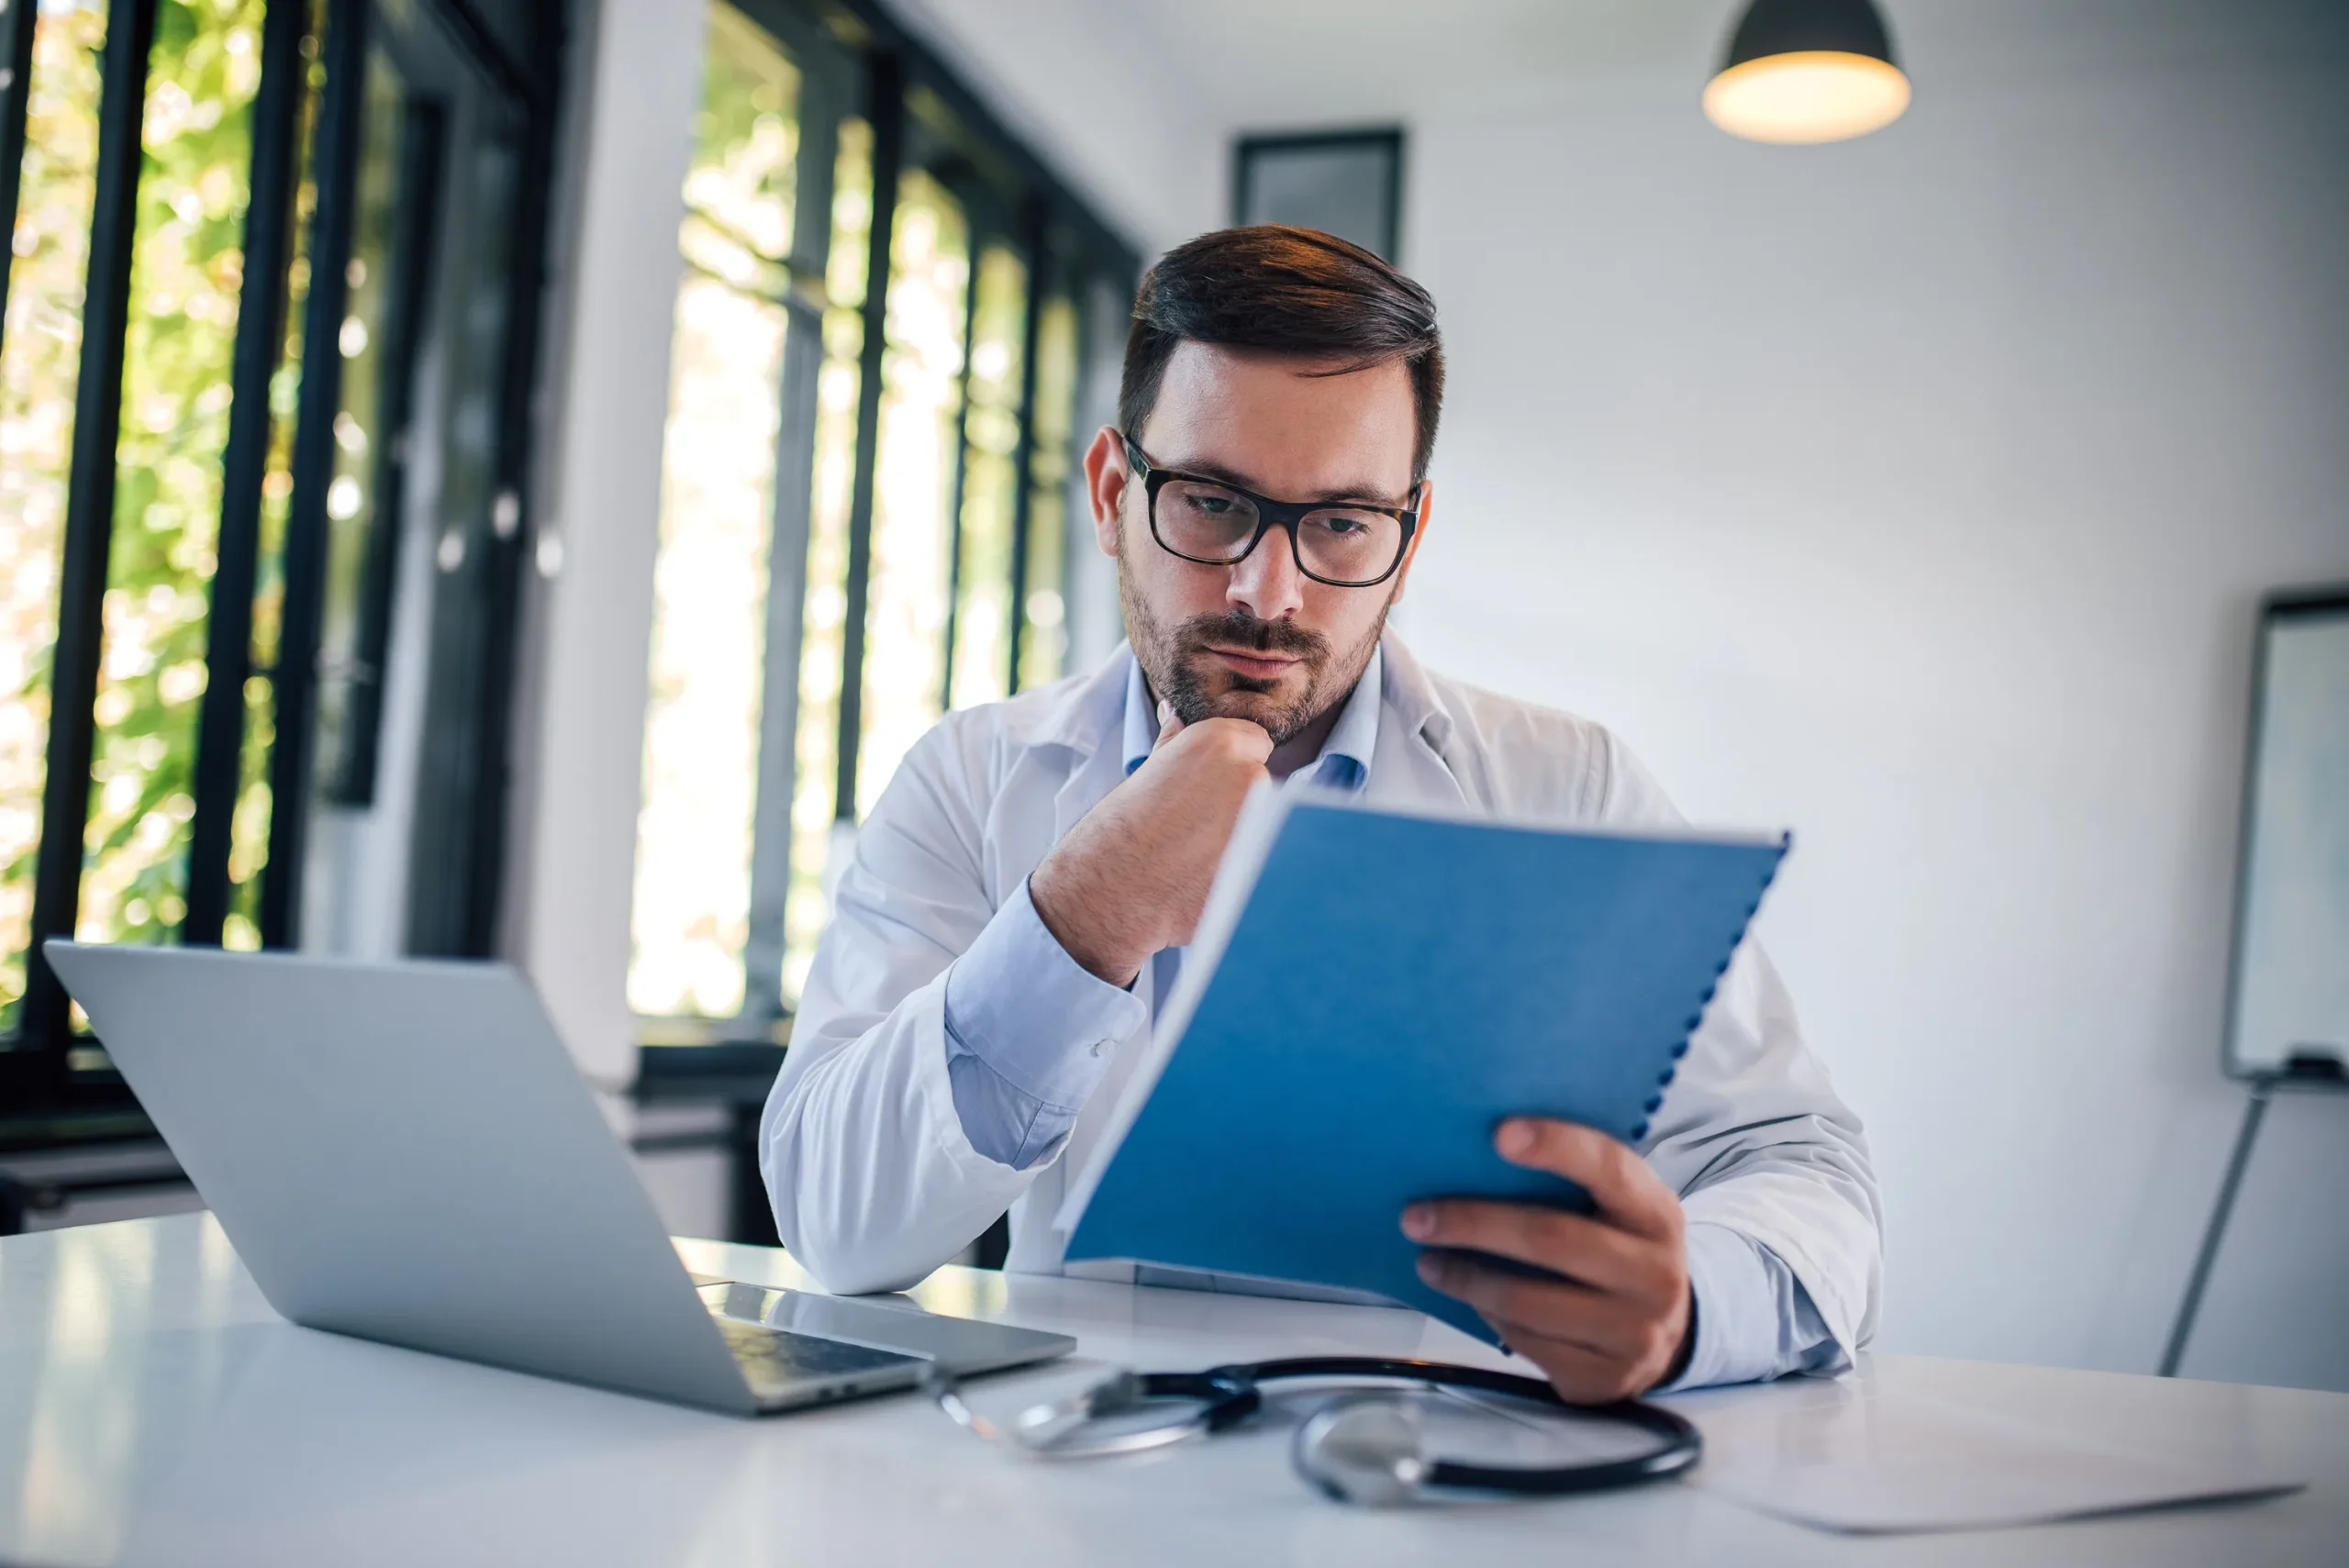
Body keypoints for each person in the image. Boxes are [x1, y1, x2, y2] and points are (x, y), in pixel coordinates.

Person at [761, 226, 1881, 1401]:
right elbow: (834, 1225)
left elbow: (1798, 1162)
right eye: (1209, 503)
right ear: (1110, 493)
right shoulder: (972, 777)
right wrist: (1082, 915)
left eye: (1342, 522)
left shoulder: (1569, 786)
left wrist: (1686, 1308)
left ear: (1408, 542)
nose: (1267, 590)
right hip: (1075, 1467)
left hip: (1443, 1462)